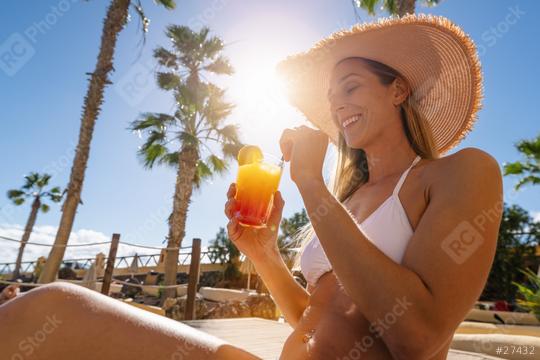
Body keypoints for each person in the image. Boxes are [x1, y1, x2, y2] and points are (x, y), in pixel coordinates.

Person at [0, 14, 502, 359]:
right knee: (53, 314)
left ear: (398, 89)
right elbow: (320, 315)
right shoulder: (351, 198)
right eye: (331, 97)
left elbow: (417, 337)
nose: (338, 106)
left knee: (56, 308)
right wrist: (264, 254)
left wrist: (309, 183)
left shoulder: (461, 173)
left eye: (351, 88)